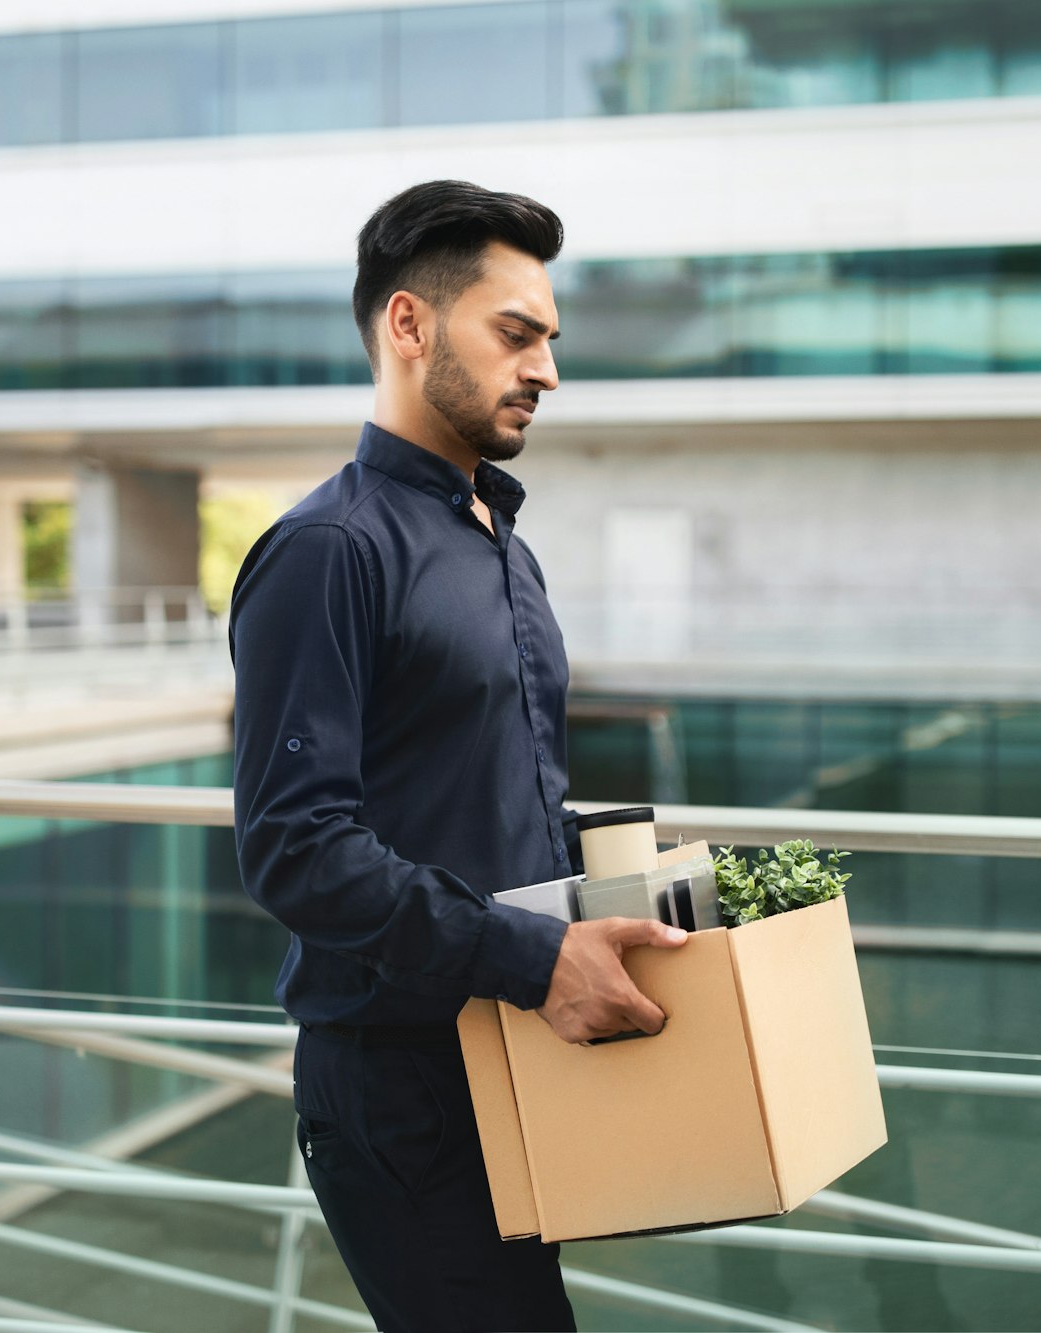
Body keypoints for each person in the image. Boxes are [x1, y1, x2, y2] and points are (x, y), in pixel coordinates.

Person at [228, 180, 688, 1333]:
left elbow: (494, 794)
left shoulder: (500, 546)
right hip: (401, 1090)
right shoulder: (328, 552)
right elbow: (294, 849)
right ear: (409, 325)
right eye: (515, 333)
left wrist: (654, 889)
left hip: (514, 1058)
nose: (543, 370)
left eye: (549, 341)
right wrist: (536, 960)